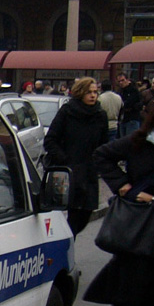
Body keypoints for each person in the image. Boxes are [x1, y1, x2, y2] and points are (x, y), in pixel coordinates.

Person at [84, 100, 154, 306]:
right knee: (128, 288)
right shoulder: (139, 142)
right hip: (140, 225)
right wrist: (125, 188)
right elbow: (101, 155)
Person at [42, 76, 109, 236]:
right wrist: (64, 159)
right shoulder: (67, 112)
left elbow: (104, 144)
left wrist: (100, 163)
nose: (93, 95)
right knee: (69, 212)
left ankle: (67, 241)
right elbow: (51, 140)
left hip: (89, 171)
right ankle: (66, 247)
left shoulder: (100, 115)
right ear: (80, 93)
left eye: (95, 92)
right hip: (68, 171)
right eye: (89, 92)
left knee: (85, 213)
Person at [116, 71, 143, 137]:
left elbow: (132, 102)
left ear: (128, 80)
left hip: (132, 119)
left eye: (122, 80)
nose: (121, 83)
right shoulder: (120, 91)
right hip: (123, 119)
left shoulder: (133, 90)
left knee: (130, 140)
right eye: (119, 81)